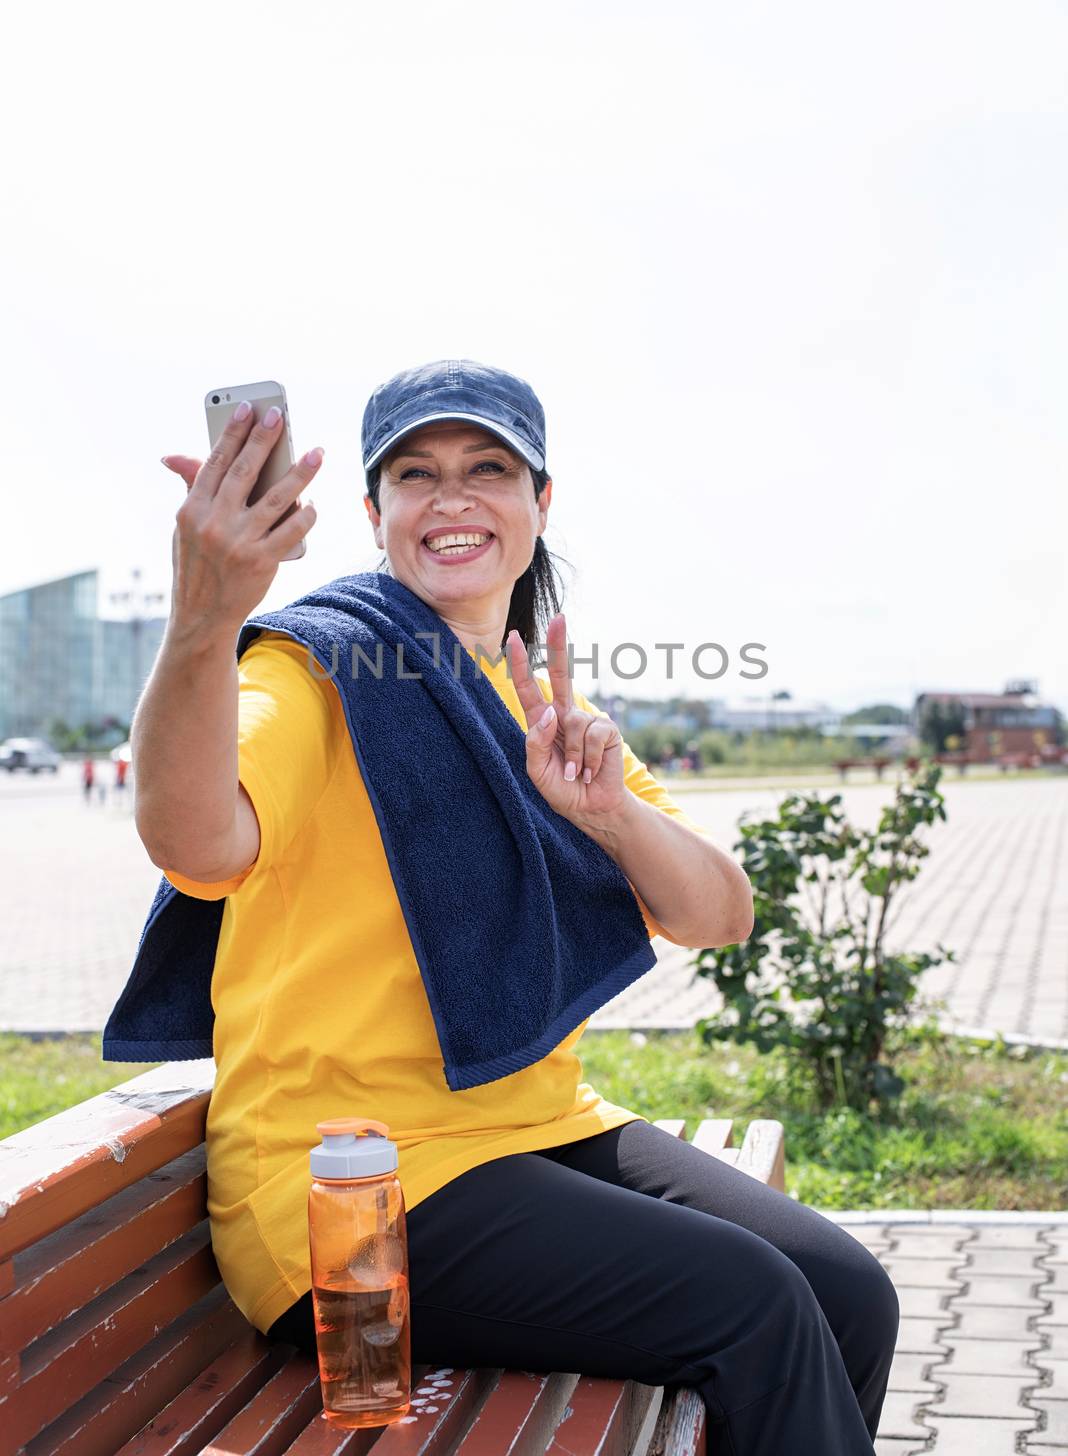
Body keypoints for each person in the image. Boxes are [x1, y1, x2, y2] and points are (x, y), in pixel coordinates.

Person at [132, 360, 898, 1454]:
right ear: (373, 512)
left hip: (527, 1129)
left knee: (851, 1292)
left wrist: (610, 817)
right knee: (758, 1306)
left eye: (488, 468)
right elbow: (197, 845)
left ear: (541, 503)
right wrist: (205, 624)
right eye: (416, 473)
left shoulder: (537, 700)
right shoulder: (313, 673)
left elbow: (721, 913)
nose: (452, 497)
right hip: (348, 1193)